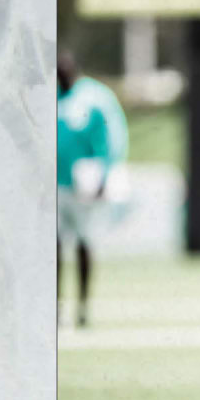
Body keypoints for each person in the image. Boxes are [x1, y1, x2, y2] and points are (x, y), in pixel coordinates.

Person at [57, 53, 128, 328]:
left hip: (83, 185)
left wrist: (105, 175)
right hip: (55, 185)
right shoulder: (49, 96)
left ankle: (83, 304)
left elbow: (112, 138)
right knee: (54, 246)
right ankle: (56, 305)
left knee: (84, 243)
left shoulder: (95, 97)